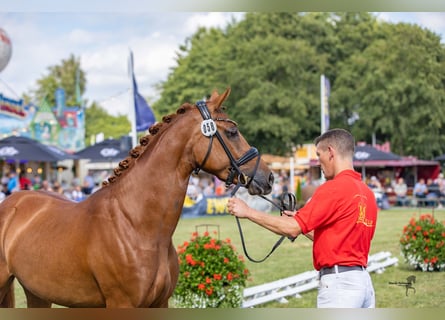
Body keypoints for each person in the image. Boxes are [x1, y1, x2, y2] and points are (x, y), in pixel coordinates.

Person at [227, 128, 377, 308]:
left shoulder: (333, 188)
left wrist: (248, 212)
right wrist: (301, 222)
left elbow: (292, 228)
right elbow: (339, 238)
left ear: (330, 152)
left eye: (319, 155)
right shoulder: (367, 193)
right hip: (363, 283)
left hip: (339, 286)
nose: (318, 163)